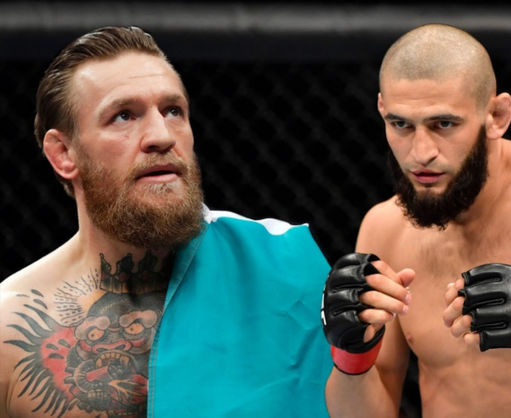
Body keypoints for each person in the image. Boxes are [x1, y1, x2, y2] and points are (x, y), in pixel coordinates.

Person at [0, 26, 332, 418]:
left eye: (173, 111)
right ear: (63, 154)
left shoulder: (283, 268)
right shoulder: (11, 328)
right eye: (124, 116)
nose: (161, 135)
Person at [321, 23, 511, 417]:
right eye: (401, 125)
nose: (421, 152)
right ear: (382, 111)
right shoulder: (384, 228)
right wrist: (351, 356)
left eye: (443, 124)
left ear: (496, 115)